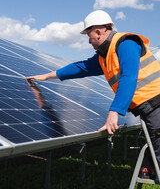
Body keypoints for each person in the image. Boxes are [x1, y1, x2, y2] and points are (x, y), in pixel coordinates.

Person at [26, 10, 160, 167]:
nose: (89, 42)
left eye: (88, 36)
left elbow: (129, 77)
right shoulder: (106, 55)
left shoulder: (126, 44)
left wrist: (114, 112)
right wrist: (47, 76)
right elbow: (82, 68)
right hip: (150, 109)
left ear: (98, 32)